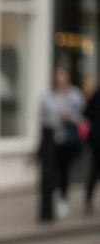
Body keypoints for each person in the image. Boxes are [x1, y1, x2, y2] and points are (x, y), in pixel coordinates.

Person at [40, 66, 85, 219]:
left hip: (69, 139)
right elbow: (44, 118)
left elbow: (81, 118)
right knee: (54, 171)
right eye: (58, 76)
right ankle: (57, 198)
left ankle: (63, 198)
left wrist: (70, 118)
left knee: (65, 169)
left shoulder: (75, 96)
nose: (60, 79)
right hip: (52, 139)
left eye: (63, 75)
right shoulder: (48, 97)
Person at [84, 83, 100, 215]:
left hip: (95, 140)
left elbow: (87, 114)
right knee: (94, 171)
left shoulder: (95, 94)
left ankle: (88, 200)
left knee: (94, 171)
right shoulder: (96, 95)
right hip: (96, 141)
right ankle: (88, 201)